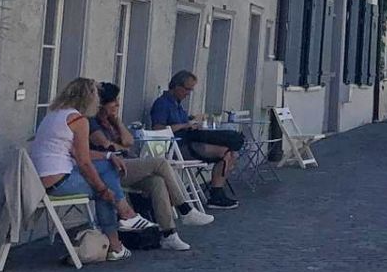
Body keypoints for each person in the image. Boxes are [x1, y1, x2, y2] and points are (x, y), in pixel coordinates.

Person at [28, 77, 153, 262]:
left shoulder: (55, 115)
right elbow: (84, 162)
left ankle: (123, 226)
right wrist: (103, 189)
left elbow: (76, 152)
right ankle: (122, 227)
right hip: (59, 183)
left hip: (44, 179)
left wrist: (109, 156)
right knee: (104, 189)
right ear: (89, 98)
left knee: (106, 170)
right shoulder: (78, 120)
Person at [89, 82, 213, 249]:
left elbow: (129, 141)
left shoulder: (111, 122)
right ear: (102, 104)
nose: (118, 104)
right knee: (160, 163)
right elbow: (106, 145)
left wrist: (117, 121)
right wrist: (118, 146)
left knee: (157, 182)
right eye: (114, 101)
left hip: (124, 166)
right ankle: (185, 210)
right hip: (108, 170)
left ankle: (169, 234)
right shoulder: (92, 122)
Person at [148, 71, 243, 209]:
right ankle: (216, 195)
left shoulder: (177, 104)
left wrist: (193, 121)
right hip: (175, 148)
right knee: (226, 153)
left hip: (187, 143)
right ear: (176, 86)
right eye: (187, 89)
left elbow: (183, 124)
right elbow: (158, 129)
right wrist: (185, 125)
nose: (188, 93)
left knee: (231, 153)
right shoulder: (162, 104)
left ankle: (217, 192)